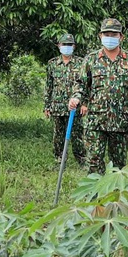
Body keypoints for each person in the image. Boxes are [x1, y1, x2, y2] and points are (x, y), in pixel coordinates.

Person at [68, 18, 128, 174]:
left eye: (114, 34)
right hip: (96, 121)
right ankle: (94, 195)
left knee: (119, 165)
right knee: (94, 161)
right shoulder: (90, 59)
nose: (110, 37)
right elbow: (81, 83)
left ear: (121, 37)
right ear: (100, 36)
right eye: (106, 34)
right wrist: (76, 97)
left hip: (121, 122)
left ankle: (116, 195)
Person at [44, 33, 86, 166]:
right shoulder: (52, 64)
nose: (66, 47)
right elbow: (49, 86)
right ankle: (59, 160)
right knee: (58, 136)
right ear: (58, 46)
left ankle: (82, 160)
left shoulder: (81, 63)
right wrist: (47, 106)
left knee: (77, 135)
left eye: (69, 45)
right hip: (57, 105)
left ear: (74, 46)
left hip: (75, 107)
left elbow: (85, 85)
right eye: (64, 45)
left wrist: (85, 103)